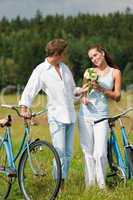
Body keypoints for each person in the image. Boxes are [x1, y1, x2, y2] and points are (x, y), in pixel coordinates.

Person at [19, 38, 88, 186]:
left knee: (68, 154)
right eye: (64, 53)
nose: (65, 56)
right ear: (57, 53)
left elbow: (71, 90)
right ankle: (58, 183)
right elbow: (30, 90)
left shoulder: (64, 68)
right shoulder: (41, 70)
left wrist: (81, 90)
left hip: (70, 115)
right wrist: (24, 107)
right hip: (56, 116)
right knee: (59, 151)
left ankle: (62, 180)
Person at [78, 44, 122, 189]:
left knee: (100, 153)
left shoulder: (115, 72)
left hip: (102, 116)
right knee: (88, 153)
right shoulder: (89, 72)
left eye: (95, 55)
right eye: (91, 57)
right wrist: (83, 98)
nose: (94, 59)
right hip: (85, 116)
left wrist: (102, 90)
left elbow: (117, 96)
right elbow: (83, 92)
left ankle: (102, 187)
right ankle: (90, 187)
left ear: (102, 53)